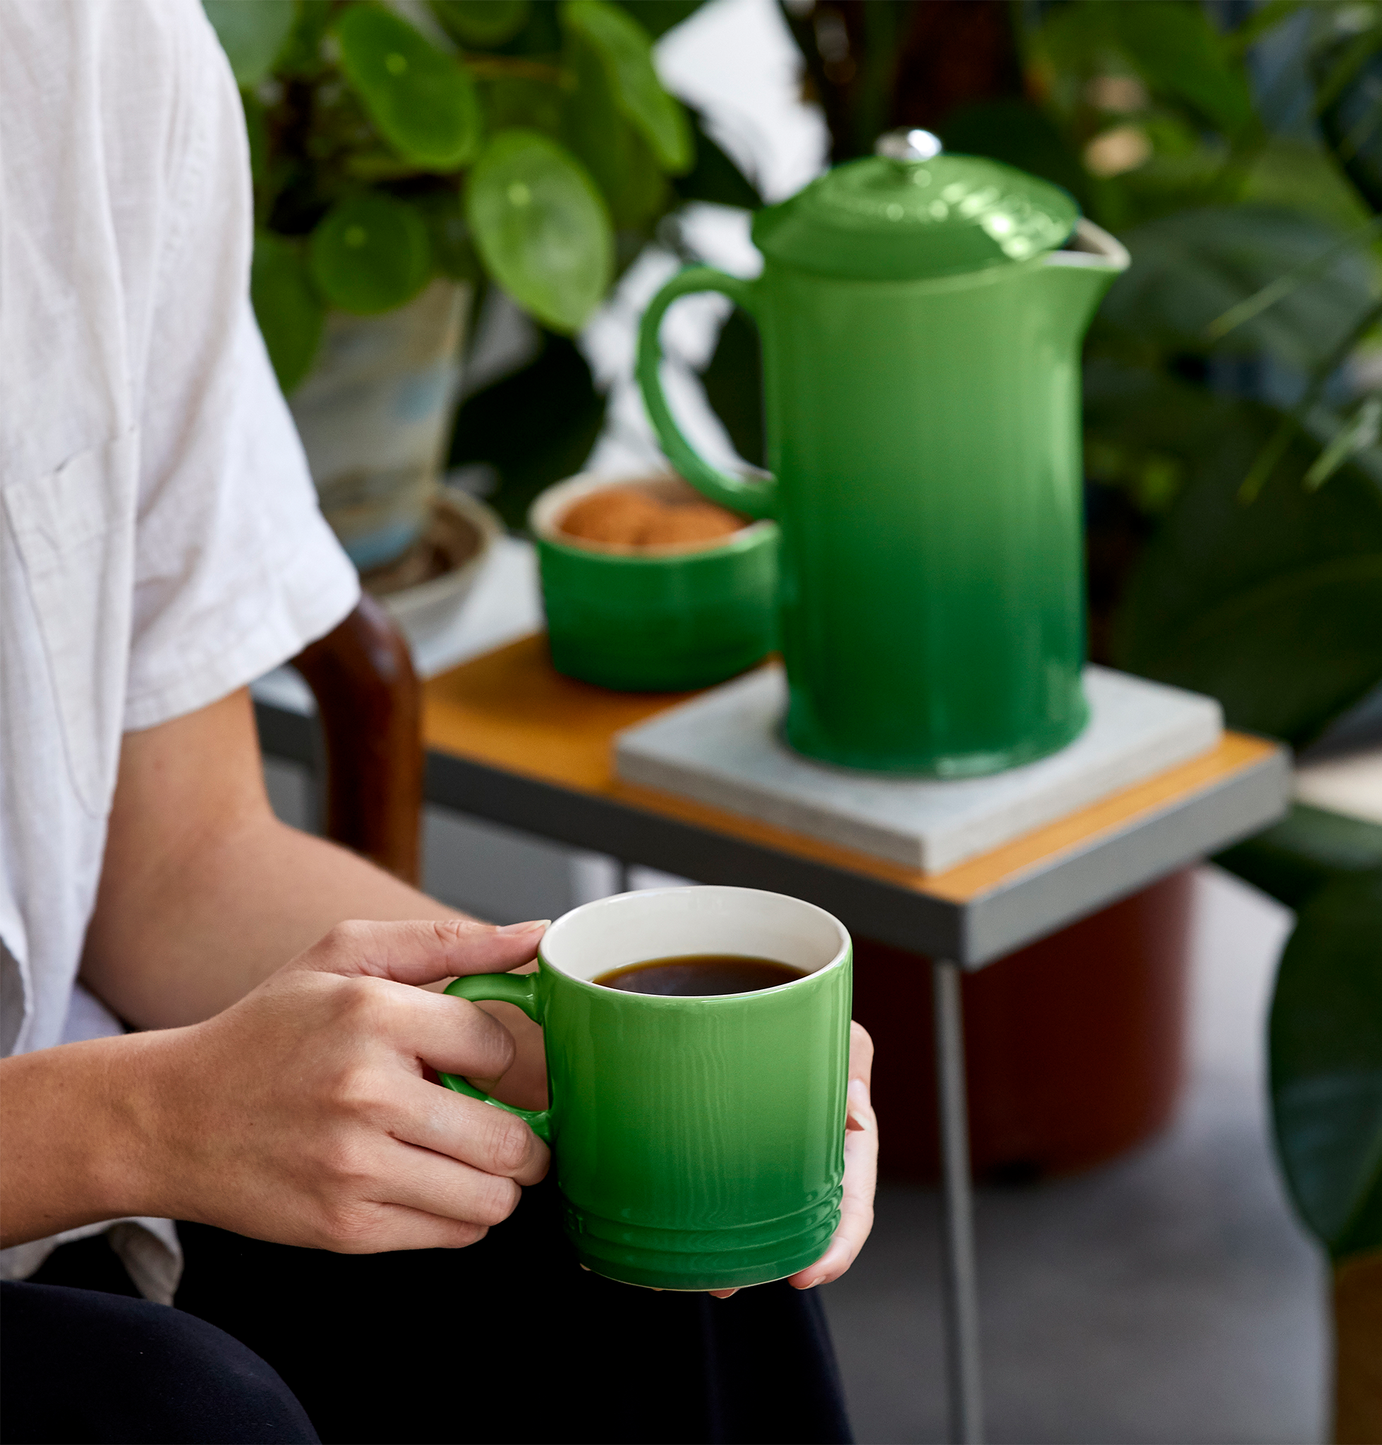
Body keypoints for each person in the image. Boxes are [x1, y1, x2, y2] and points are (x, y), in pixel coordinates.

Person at [0, 3, 878, 1442]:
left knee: (663, 1241)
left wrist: (594, 1039)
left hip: (87, 1162)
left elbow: (174, 867)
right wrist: (139, 1121)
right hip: (66, 1151)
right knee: (178, 1418)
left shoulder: (93, 58)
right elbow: (141, 1109)